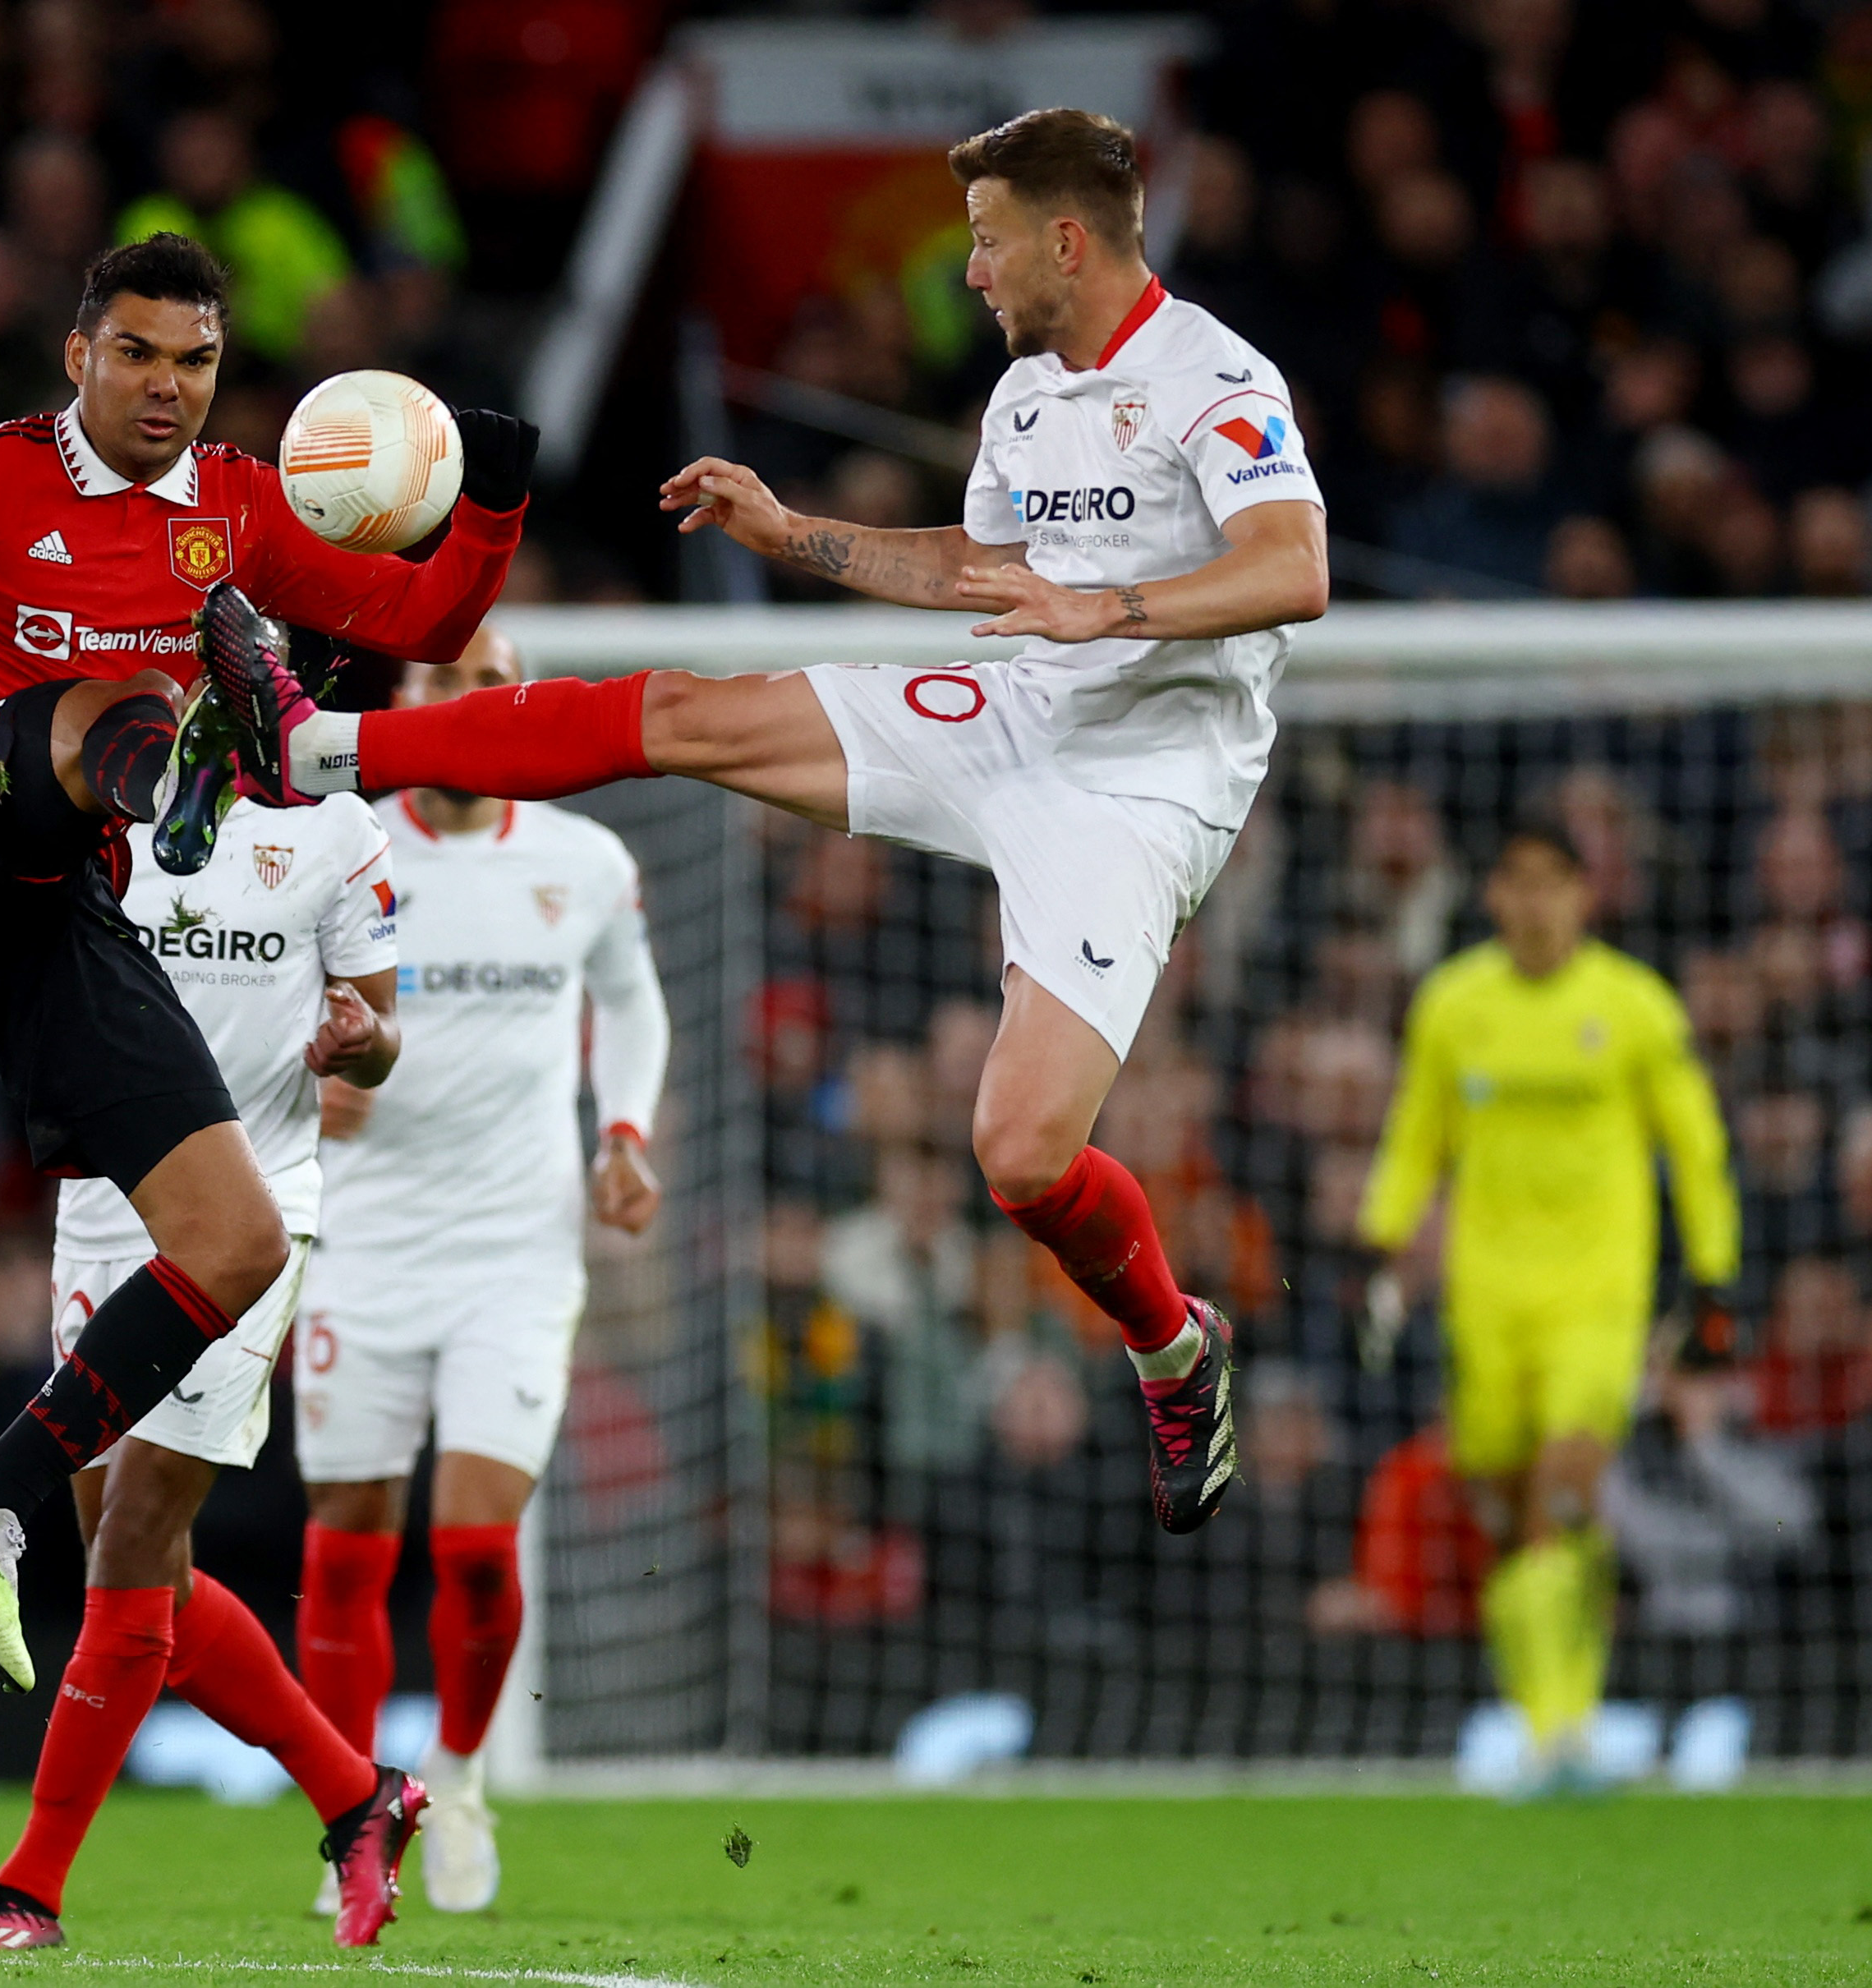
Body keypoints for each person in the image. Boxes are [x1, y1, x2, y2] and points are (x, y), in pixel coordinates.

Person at [206, 108, 1325, 1535]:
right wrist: (791, 534)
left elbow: (1292, 568)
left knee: (1022, 1156)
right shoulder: (1028, 394)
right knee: (683, 714)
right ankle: (320, 747)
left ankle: (1175, 1348)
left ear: (1064, 238)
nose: (970, 275)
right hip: (1018, 713)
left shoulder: (1213, 377)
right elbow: (982, 568)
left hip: (1140, 786)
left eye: (985, 244)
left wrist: (1103, 607)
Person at [0, 232, 531, 1710]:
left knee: (235, 1246)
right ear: (79, 356)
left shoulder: (239, 506)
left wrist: (486, 504)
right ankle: (185, 780)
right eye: (142, 353)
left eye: (199, 361)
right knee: (111, 700)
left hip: (54, 909)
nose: (170, 386)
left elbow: (426, 623)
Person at [0, 772, 419, 1949]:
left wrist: (356, 1036)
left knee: (130, 1544)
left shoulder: (333, 829)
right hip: (103, 1216)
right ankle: (358, 1796)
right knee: (149, 1584)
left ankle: (30, 1889)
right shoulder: (95, 815)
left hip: (247, 1220)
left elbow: (379, 1035)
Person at [292, 627, 667, 1917]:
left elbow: (632, 1000)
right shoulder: (340, 846)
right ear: (398, 701)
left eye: (489, 684)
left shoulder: (585, 859)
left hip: (518, 1245)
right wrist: (301, 1070)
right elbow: (256, 1002)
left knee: (471, 1539)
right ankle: (352, 1818)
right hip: (362, 1238)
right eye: (444, 681)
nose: (468, 700)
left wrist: (624, 1132)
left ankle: (453, 1782)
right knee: (346, 1542)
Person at [1357, 820, 1741, 1794]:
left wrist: (1714, 1274)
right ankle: (1547, 1723)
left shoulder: (1632, 1005)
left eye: (1552, 882)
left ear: (1585, 893)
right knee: (1503, 1509)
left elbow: (1692, 1143)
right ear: (1491, 894)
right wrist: (1376, 1240)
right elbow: (1416, 1134)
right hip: (1485, 1298)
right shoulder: (1453, 1004)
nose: (1533, 903)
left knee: (1562, 1488)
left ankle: (1565, 1728)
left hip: (1596, 1295)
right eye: (1515, 881)